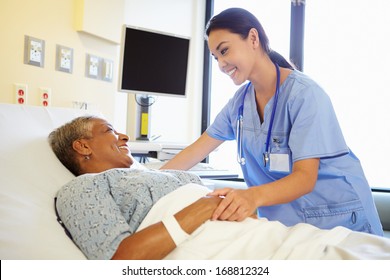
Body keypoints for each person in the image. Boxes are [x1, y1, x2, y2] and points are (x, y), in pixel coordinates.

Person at [161, 7, 383, 236]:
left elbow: (305, 178)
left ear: (253, 38)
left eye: (224, 51)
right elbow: (195, 151)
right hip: (290, 226)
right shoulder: (239, 104)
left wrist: (251, 197)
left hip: (340, 219)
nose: (221, 64)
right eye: (216, 57)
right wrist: (153, 179)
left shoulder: (305, 95)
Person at [49, 116, 390, 260]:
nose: (123, 136)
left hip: (284, 239)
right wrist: (205, 207)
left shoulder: (153, 174)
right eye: (110, 130)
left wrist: (242, 205)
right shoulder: (81, 189)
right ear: (82, 147)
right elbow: (118, 262)